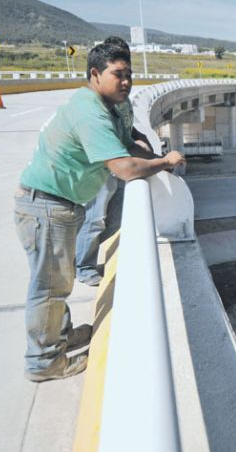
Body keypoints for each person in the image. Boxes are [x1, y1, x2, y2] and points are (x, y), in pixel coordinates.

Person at [14, 42, 186, 382]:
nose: (126, 82)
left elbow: (130, 136)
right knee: (49, 287)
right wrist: (164, 161)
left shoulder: (113, 105)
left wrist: (143, 147)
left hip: (60, 203)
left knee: (56, 281)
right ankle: (43, 362)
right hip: (46, 205)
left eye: (129, 75)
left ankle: (59, 338)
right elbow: (123, 167)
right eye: (117, 75)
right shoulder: (89, 112)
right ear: (95, 74)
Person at [75, 36, 154, 286]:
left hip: (113, 167)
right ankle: (84, 266)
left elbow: (127, 129)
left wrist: (139, 136)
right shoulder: (98, 102)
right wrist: (156, 159)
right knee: (95, 217)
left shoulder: (122, 94)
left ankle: (85, 258)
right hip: (102, 168)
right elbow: (116, 138)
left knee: (110, 219)